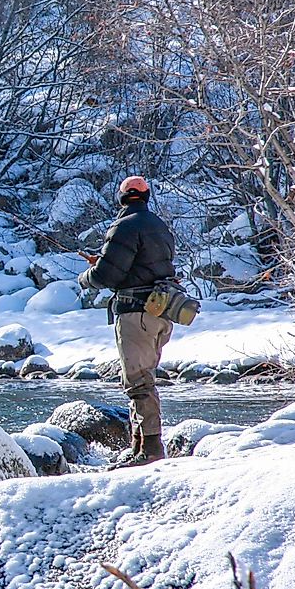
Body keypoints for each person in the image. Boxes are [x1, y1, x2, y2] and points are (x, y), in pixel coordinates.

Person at [77, 175, 176, 466]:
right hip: (161, 312)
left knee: (138, 381)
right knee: (143, 376)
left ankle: (152, 449)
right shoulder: (159, 226)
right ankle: (138, 444)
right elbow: (145, 265)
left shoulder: (123, 226)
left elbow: (107, 276)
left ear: (122, 198)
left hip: (136, 312)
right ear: (146, 197)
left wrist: (86, 277)